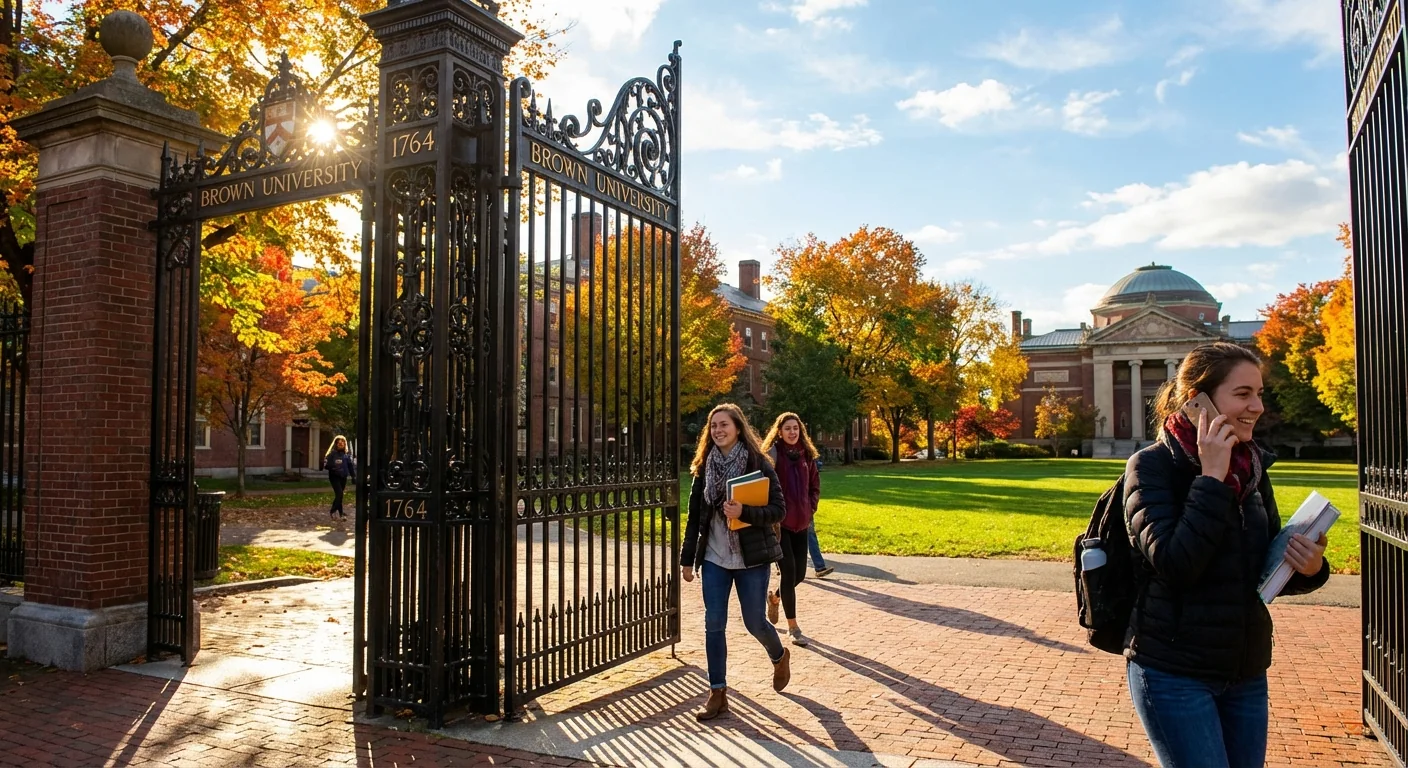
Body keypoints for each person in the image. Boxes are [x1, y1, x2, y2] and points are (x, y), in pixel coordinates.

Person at [1124, 342, 1329, 768]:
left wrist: (1309, 567)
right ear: (1198, 400)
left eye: (1258, 393)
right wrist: (1212, 478)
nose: (1257, 406)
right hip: (1173, 672)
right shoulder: (1151, 468)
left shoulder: (1252, 467)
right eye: (1242, 394)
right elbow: (1177, 564)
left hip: (1246, 670)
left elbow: (1260, 566)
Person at [680, 403, 791, 721]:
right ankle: (717, 693)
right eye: (713, 425)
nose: (718, 430)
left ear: (738, 428)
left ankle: (779, 654)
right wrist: (688, 559)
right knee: (713, 623)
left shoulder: (758, 464)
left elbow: (778, 510)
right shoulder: (704, 468)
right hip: (715, 557)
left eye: (723, 424)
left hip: (751, 558)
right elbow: (694, 519)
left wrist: (744, 512)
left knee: (754, 621)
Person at [761, 412, 822, 646]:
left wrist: (810, 508)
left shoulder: (807, 455)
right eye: (787, 428)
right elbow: (764, 485)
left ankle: (775, 597)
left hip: (802, 523)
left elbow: (814, 485)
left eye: (795, 428)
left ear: (801, 431)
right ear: (779, 431)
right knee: (788, 572)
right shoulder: (773, 456)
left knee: (799, 575)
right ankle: (793, 627)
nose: (792, 432)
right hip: (780, 525)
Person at [323, 435, 355, 520]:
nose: (341, 444)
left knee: (340, 495)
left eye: (342, 442)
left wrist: (353, 476)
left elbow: (350, 466)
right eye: (339, 442)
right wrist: (334, 466)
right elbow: (326, 465)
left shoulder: (346, 455)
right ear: (336, 444)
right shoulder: (332, 454)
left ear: (345, 444)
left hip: (343, 477)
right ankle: (333, 511)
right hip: (334, 476)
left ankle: (341, 513)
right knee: (339, 493)